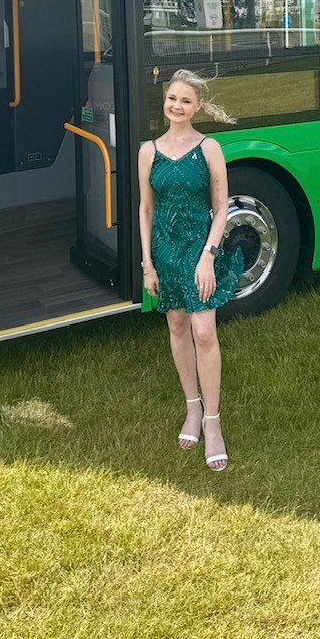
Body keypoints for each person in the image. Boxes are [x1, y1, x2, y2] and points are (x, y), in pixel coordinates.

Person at [138, 70, 243, 472]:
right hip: (164, 252)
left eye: (185, 101)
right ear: (164, 102)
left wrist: (208, 256)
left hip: (200, 252)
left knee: (204, 331)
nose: (176, 106)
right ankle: (192, 409)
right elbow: (146, 209)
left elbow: (221, 206)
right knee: (178, 327)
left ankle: (213, 422)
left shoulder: (209, 148)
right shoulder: (149, 151)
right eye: (171, 99)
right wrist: (147, 263)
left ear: (197, 106)